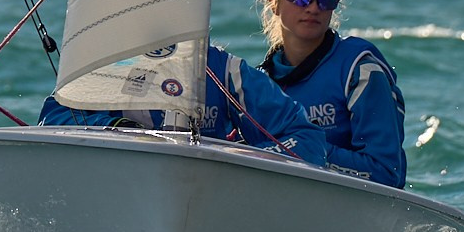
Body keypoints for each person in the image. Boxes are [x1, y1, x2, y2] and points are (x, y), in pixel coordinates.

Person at [256, 0, 406, 188]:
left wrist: (307, 149)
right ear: (275, 2)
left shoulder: (361, 70)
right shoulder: (259, 85)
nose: (313, 7)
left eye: (325, 0)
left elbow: (386, 173)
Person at [38, 44, 326, 167]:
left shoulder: (224, 71)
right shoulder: (114, 65)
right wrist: (117, 129)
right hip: (122, 184)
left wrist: (239, 160)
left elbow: (308, 140)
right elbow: (55, 115)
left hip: (206, 197)